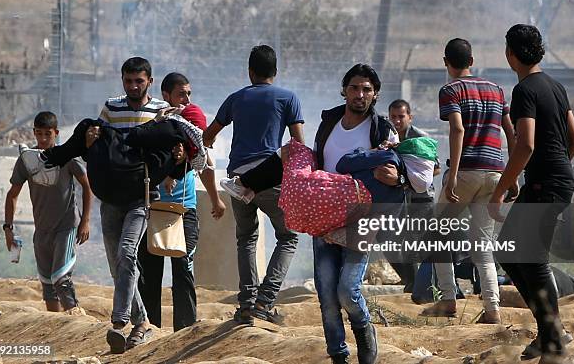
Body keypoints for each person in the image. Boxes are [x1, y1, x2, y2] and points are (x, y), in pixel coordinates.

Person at [489, 24, 574, 364]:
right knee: (510, 253)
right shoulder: (556, 87)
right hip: (554, 179)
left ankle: (554, 338)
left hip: (545, 182)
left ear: (511, 54)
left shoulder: (525, 90)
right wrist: (556, 168)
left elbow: (525, 143)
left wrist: (500, 190)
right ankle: (549, 331)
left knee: (531, 257)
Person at [202, 45, 304, 325]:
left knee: (246, 237)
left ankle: (246, 304)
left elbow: (209, 135)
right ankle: (265, 301)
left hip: (238, 180)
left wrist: (208, 145)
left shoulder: (236, 98)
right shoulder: (288, 98)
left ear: (250, 72)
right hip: (270, 178)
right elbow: (299, 144)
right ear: (276, 72)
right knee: (288, 236)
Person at [419, 38, 516, 325]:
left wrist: (452, 177)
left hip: (465, 172)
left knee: (438, 234)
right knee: (483, 244)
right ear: (472, 61)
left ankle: (448, 299)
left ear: (445, 62)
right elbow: (511, 134)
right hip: (495, 172)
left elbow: (458, 129)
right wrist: (511, 176)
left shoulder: (450, 89)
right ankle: (492, 308)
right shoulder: (497, 90)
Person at [312, 63, 402, 364]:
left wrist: (396, 176)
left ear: (375, 94)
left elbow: (399, 167)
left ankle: (364, 331)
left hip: (361, 218)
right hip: (324, 217)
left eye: (366, 89)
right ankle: (338, 355)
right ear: (345, 90)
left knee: (347, 290)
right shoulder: (329, 123)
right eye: (354, 88)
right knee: (326, 293)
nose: (360, 94)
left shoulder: (381, 129)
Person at [137, 72, 226, 332]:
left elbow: (204, 164)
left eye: (188, 93)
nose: (186, 99)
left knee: (184, 270)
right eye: (181, 94)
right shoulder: (155, 125)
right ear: (166, 96)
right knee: (149, 274)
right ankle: (149, 328)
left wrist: (215, 199)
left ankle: (185, 331)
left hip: (184, 208)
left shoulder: (190, 128)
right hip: (153, 207)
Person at [93, 57, 170, 353]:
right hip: (111, 197)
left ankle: (120, 321)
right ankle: (142, 322)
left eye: (139, 81)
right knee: (118, 264)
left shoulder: (160, 111)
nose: (133, 86)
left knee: (127, 252)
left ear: (149, 81)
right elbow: (100, 146)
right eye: (128, 81)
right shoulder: (111, 108)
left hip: (141, 197)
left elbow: (169, 147)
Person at [3, 111, 92, 314]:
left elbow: (87, 186)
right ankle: (55, 327)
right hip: (42, 229)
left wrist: (85, 220)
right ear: (34, 133)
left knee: (61, 279)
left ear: (56, 133)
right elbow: (12, 194)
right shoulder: (28, 160)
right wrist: (8, 228)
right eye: (39, 134)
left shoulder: (66, 156)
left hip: (66, 226)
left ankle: (76, 320)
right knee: (47, 284)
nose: (43, 139)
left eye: (48, 134)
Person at [387, 99, 441, 292]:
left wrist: (408, 179)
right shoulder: (389, 138)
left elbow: (435, 168)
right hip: (400, 199)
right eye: (393, 117)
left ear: (410, 116)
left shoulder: (419, 137)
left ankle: (430, 287)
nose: (397, 121)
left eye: (401, 117)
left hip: (421, 199)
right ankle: (413, 282)